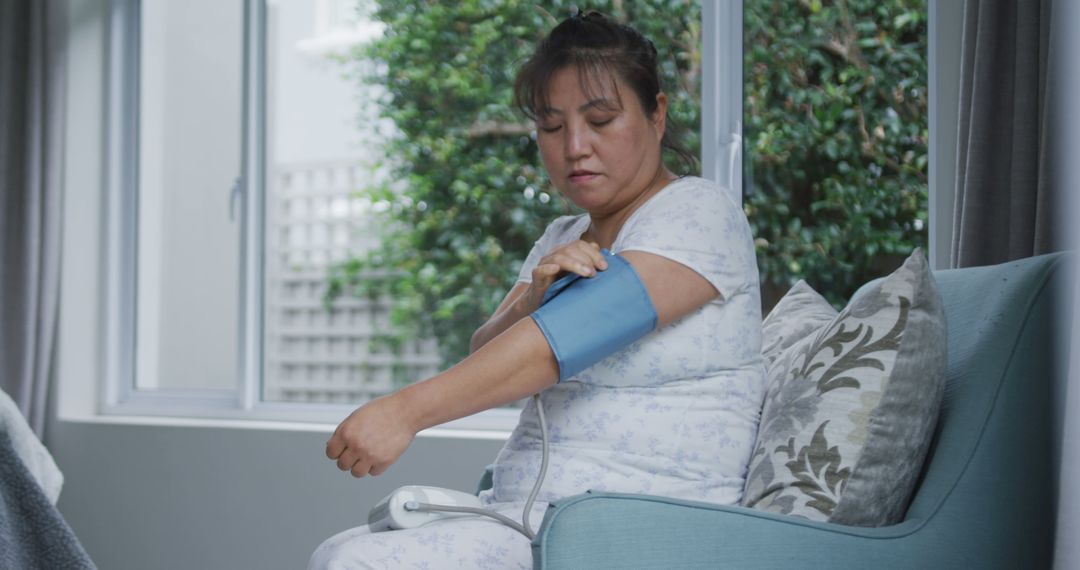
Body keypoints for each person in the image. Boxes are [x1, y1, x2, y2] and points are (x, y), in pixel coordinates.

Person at [309, 10, 764, 569]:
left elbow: (573, 334)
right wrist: (532, 301)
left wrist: (404, 412)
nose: (574, 146)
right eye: (552, 127)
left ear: (657, 114)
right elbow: (489, 357)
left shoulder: (699, 212)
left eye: (600, 120)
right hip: (535, 518)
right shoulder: (563, 234)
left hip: (644, 530)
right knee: (340, 552)